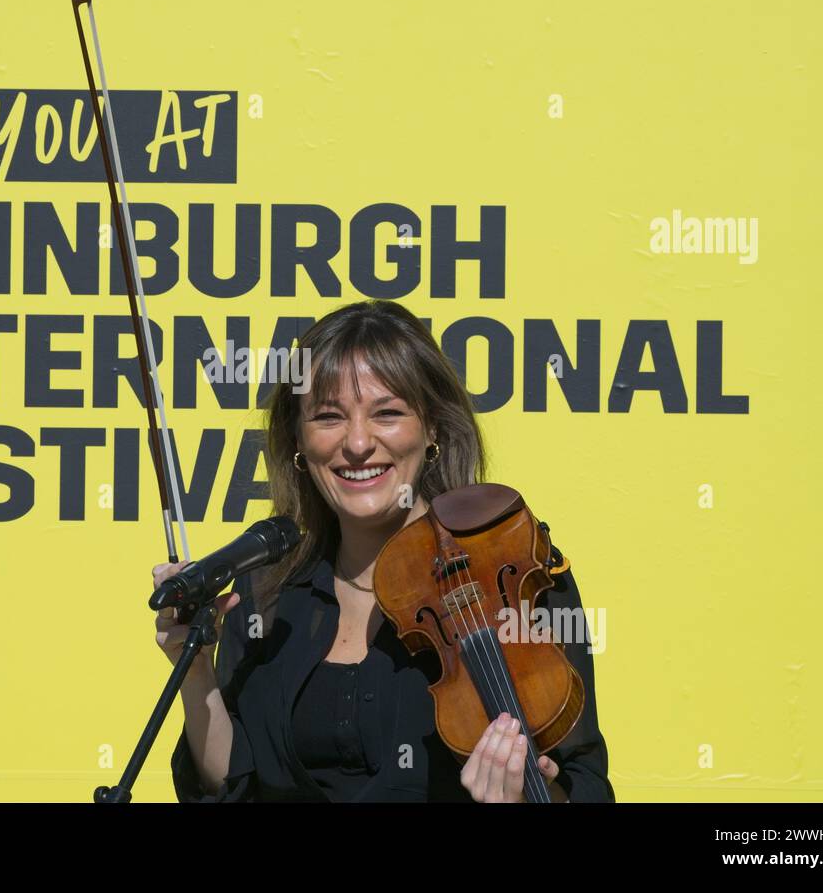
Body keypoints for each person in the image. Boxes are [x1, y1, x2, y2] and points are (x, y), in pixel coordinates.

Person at [155, 300, 613, 802]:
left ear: (432, 427)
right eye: (328, 417)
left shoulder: (513, 570)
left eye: (387, 413)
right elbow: (232, 784)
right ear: (299, 442)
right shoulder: (266, 588)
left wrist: (527, 795)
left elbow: (583, 786)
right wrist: (194, 668)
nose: (357, 442)